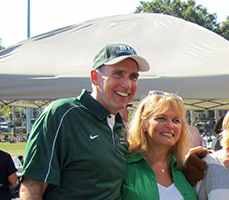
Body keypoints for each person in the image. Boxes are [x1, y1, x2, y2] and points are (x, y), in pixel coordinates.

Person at [20, 43, 149, 199]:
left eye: (133, 77)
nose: (127, 84)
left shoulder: (119, 126)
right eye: (118, 74)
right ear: (95, 77)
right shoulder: (63, 114)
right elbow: (32, 186)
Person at [121, 90, 196, 199]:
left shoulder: (184, 168)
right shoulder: (124, 164)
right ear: (143, 123)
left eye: (176, 120)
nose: (170, 125)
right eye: (161, 118)